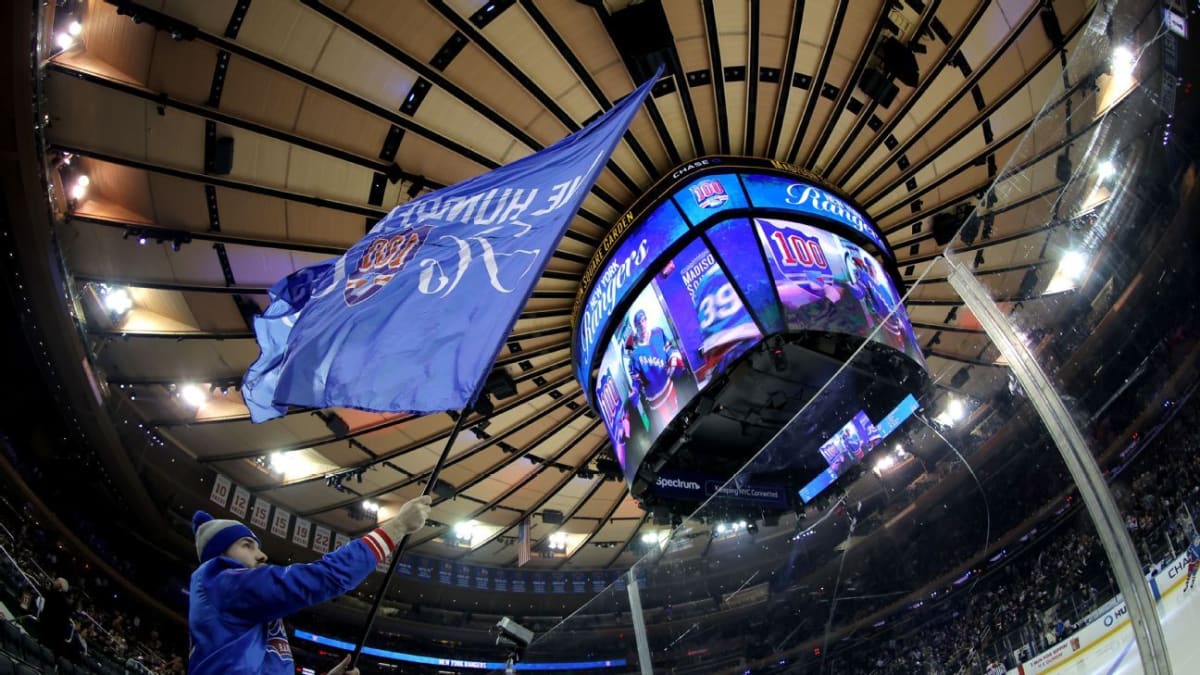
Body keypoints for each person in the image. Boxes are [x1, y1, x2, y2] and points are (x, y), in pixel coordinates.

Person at [188, 495, 432, 674]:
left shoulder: (246, 610)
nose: (262, 555)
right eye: (246, 545)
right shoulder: (222, 583)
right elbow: (325, 577)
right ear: (219, 555)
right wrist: (397, 527)